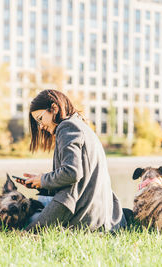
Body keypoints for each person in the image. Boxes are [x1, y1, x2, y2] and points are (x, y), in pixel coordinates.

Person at [16, 89, 126, 232]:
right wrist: (40, 183)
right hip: (98, 214)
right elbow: (78, 179)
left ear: (54, 108)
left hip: (86, 219)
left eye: (40, 119)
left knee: (24, 220)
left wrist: (44, 179)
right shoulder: (80, 126)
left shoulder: (67, 127)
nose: (41, 126)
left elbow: (72, 172)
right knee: (38, 205)